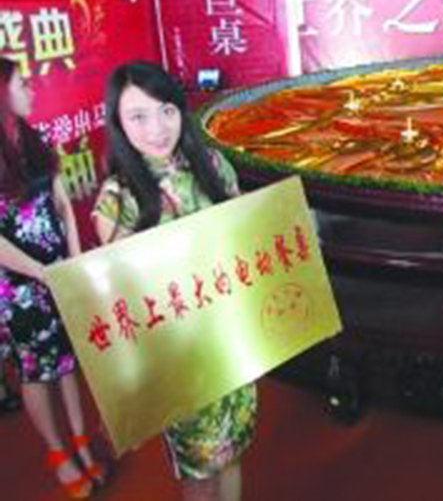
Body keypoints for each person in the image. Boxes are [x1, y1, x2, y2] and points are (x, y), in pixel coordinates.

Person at [91, 62, 256, 501]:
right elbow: (119, 299)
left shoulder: (213, 165)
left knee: (233, 453)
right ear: (119, 124)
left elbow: (246, 236)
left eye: (166, 110)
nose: (157, 128)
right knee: (200, 473)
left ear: (180, 110)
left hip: (232, 340)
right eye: (138, 116)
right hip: (178, 361)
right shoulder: (118, 200)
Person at [0, 58, 104, 498]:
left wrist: (74, 260)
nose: (31, 90)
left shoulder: (35, 139)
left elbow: (62, 203)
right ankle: (58, 452)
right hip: (19, 288)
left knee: (66, 359)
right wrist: (43, 273)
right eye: (21, 84)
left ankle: (80, 440)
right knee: (36, 371)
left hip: (59, 272)